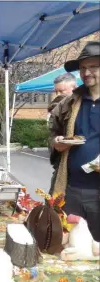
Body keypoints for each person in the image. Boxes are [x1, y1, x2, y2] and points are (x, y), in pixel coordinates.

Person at [50, 41, 100, 242]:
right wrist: (56, 142)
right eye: (82, 68)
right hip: (70, 190)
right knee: (69, 244)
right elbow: (53, 132)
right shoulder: (70, 102)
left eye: (93, 66)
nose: (86, 72)